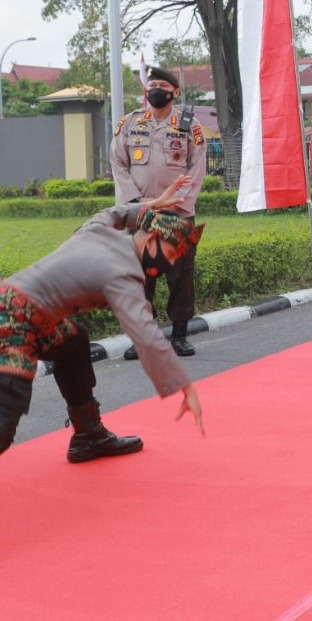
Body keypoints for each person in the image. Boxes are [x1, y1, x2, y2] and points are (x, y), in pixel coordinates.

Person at [1, 175, 205, 461]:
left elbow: (114, 212)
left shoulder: (97, 231)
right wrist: (185, 387)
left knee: (73, 340)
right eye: (171, 253)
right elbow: (146, 335)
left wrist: (151, 206)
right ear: (151, 242)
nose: (169, 262)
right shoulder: (124, 274)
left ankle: (88, 434)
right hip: (13, 325)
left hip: (20, 309)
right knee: (3, 423)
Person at [112, 65, 207, 360]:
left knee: (181, 276)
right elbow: (119, 163)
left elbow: (197, 166)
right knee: (141, 278)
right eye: (152, 85)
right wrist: (138, 200)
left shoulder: (189, 125)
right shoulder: (130, 123)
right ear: (145, 91)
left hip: (177, 213)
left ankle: (179, 336)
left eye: (163, 87)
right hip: (141, 212)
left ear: (174, 92)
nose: (157, 90)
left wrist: (173, 201)